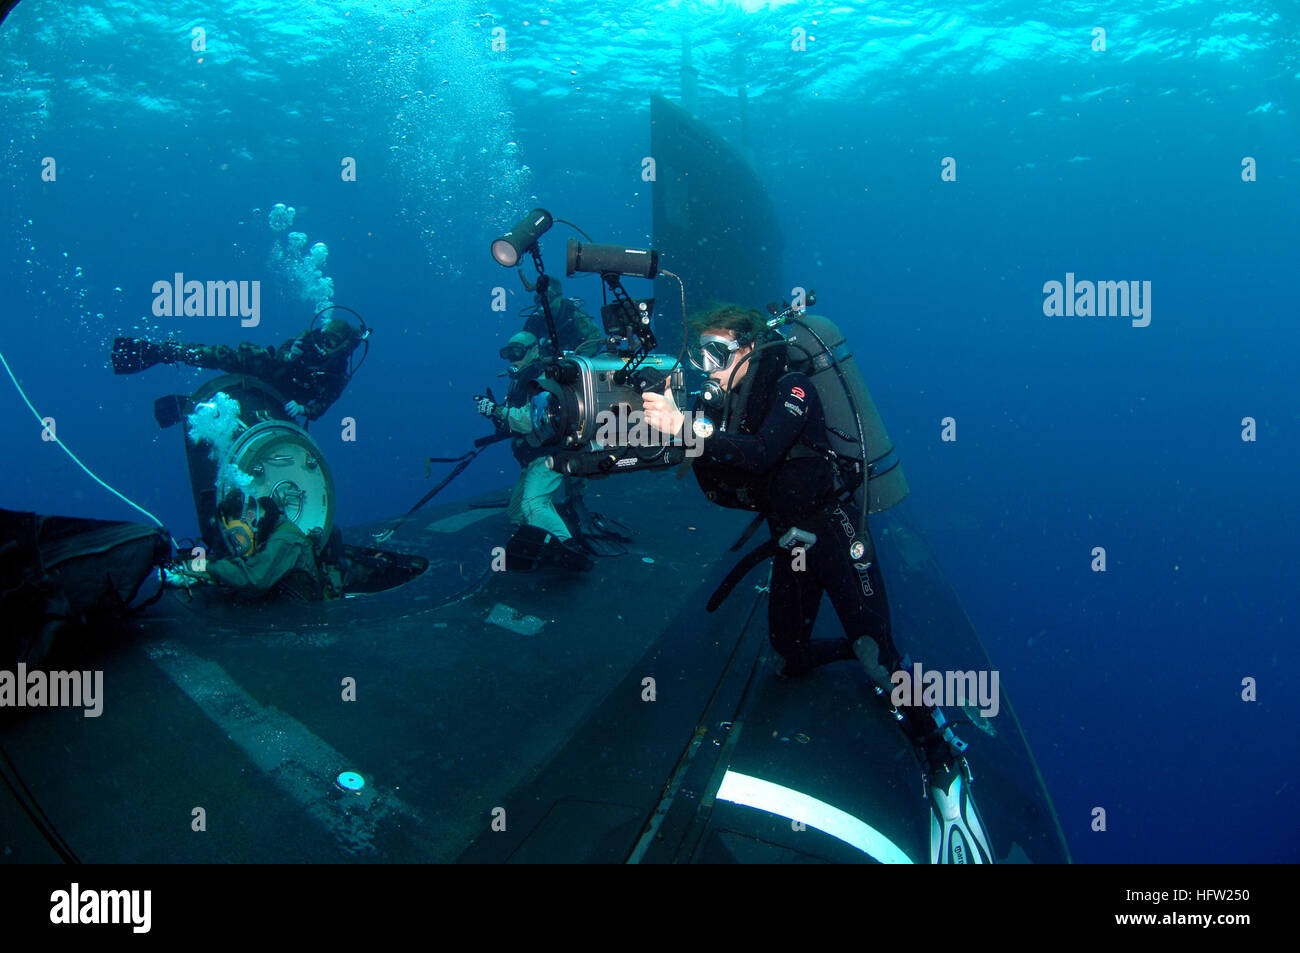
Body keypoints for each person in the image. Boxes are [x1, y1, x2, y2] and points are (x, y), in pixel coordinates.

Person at [642, 303, 993, 864]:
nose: (705, 365)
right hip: (793, 541)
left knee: (880, 656)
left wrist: (688, 431)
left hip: (832, 530)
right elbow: (729, 476)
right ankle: (863, 653)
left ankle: (944, 762)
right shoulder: (729, 402)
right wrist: (678, 434)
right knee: (788, 653)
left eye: (715, 352)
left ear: (748, 347)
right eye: (699, 353)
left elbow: (761, 454)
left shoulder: (794, 385)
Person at [475, 331, 595, 571]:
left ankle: (570, 548)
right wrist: (496, 413)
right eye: (508, 353)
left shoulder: (543, 378)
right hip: (533, 457)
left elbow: (532, 420)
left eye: (517, 352)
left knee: (533, 505)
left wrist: (497, 411)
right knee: (516, 513)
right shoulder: (519, 382)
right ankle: (552, 525)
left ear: (534, 350)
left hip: (550, 455)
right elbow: (513, 421)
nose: (512, 359)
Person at [111, 315, 363, 422]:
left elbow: (322, 406)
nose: (323, 343)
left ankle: (196, 407)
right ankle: (163, 352)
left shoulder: (338, 374)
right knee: (229, 357)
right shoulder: (311, 336)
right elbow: (285, 350)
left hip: (284, 400)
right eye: (324, 336)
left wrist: (303, 409)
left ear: (340, 347)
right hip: (274, 370)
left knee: (246, 416)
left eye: (330, 342)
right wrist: (289, 355)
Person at [163, 490, 336, 599]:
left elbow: (255, 578)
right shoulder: (271, 533)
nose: (238, 544)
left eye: (238, 535)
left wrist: (208, 566)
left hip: (305, 617)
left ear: (251, 516)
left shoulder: (284, 540)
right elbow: (252, 563)